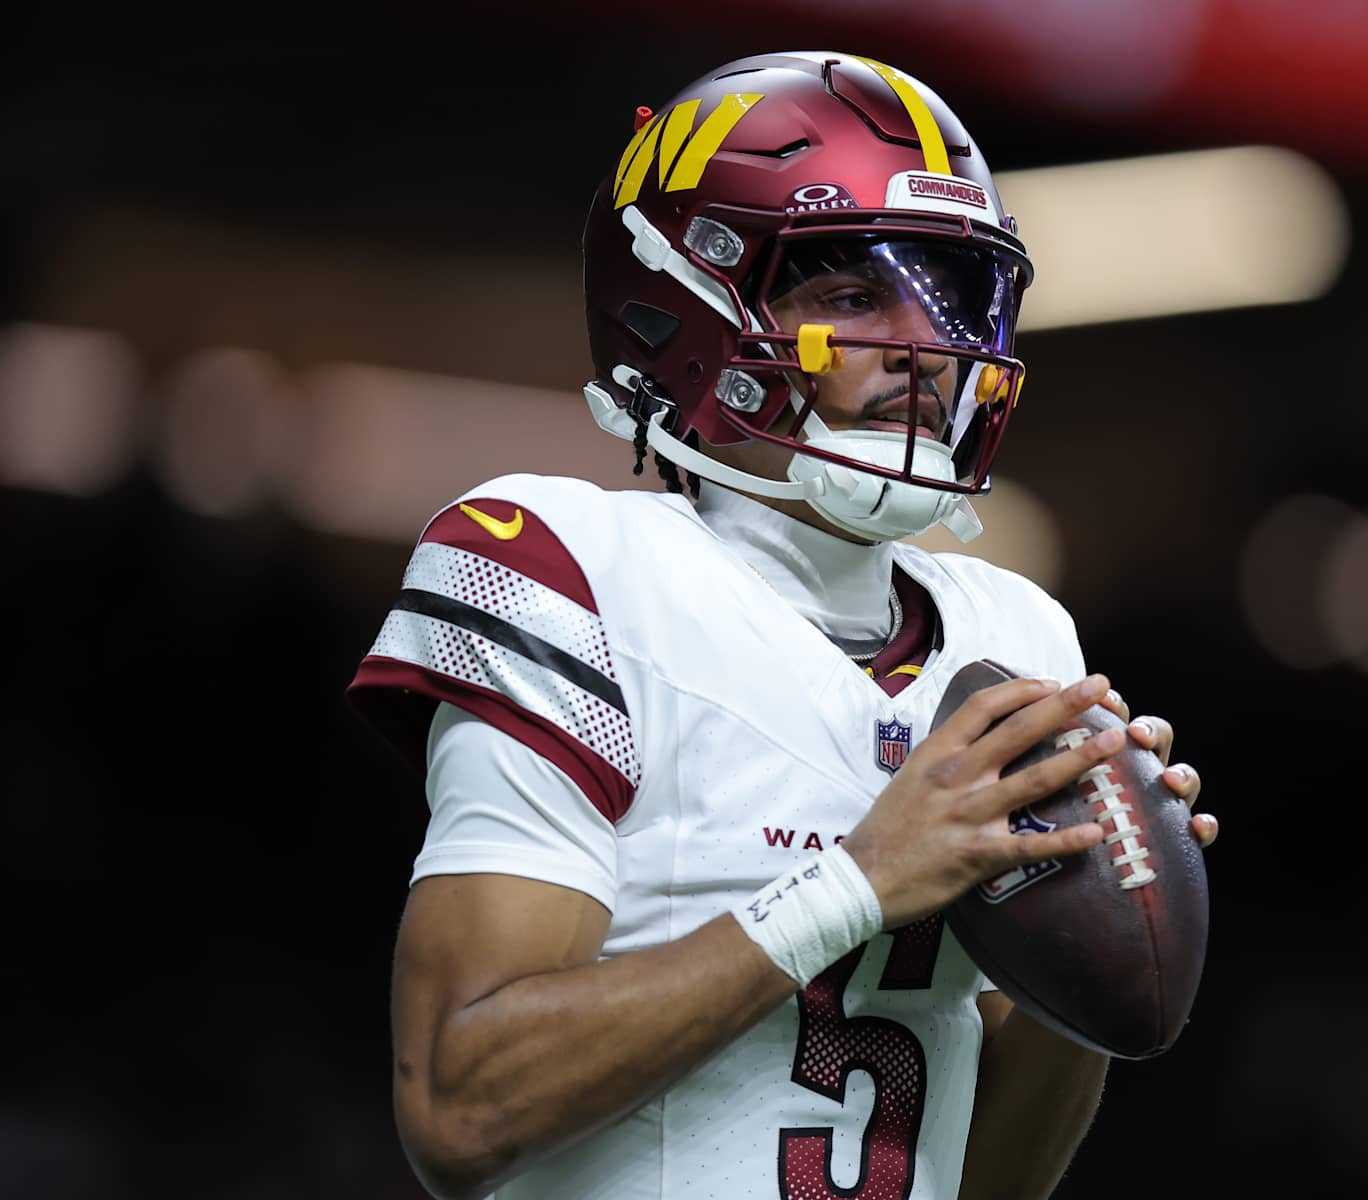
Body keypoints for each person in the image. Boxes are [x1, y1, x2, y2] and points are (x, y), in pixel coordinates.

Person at [347, 49, 1218, 1200]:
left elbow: (984, 1181)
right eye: (853, 295)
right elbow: (462, 1106)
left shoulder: (1017, 635)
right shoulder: (565, 564)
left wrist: (1102, 964)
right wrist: (856, 886)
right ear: (677, 302)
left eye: (950, 296)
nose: (922, 349)